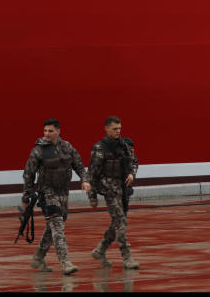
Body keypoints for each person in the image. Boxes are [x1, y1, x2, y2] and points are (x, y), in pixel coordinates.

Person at [22, 118, 91, 275]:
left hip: (63, 193)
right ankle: (65, 262)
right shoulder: (38, 150)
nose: (47, 134)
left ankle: (39, 257)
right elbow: (28, 174)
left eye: (50, 131)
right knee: (58, 227)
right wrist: (26, 197)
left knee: (53, 226)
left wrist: (85, 180)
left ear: (58, 131)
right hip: (47, 193)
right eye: (45, 131)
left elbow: (79, 165)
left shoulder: (67, 147)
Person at [87, 115, 140, 269]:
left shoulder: (125, 146)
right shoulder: (99, 148)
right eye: (115, 129)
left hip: (124, 189)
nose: (118, 131)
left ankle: (100, 250)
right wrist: (92, 197)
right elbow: (92, 174)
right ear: (106, 129)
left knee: (117, 222)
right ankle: (127, 258)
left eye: (119, 129)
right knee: (121, 222)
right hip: (109, 189)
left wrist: (132, 174)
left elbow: (134, 162)